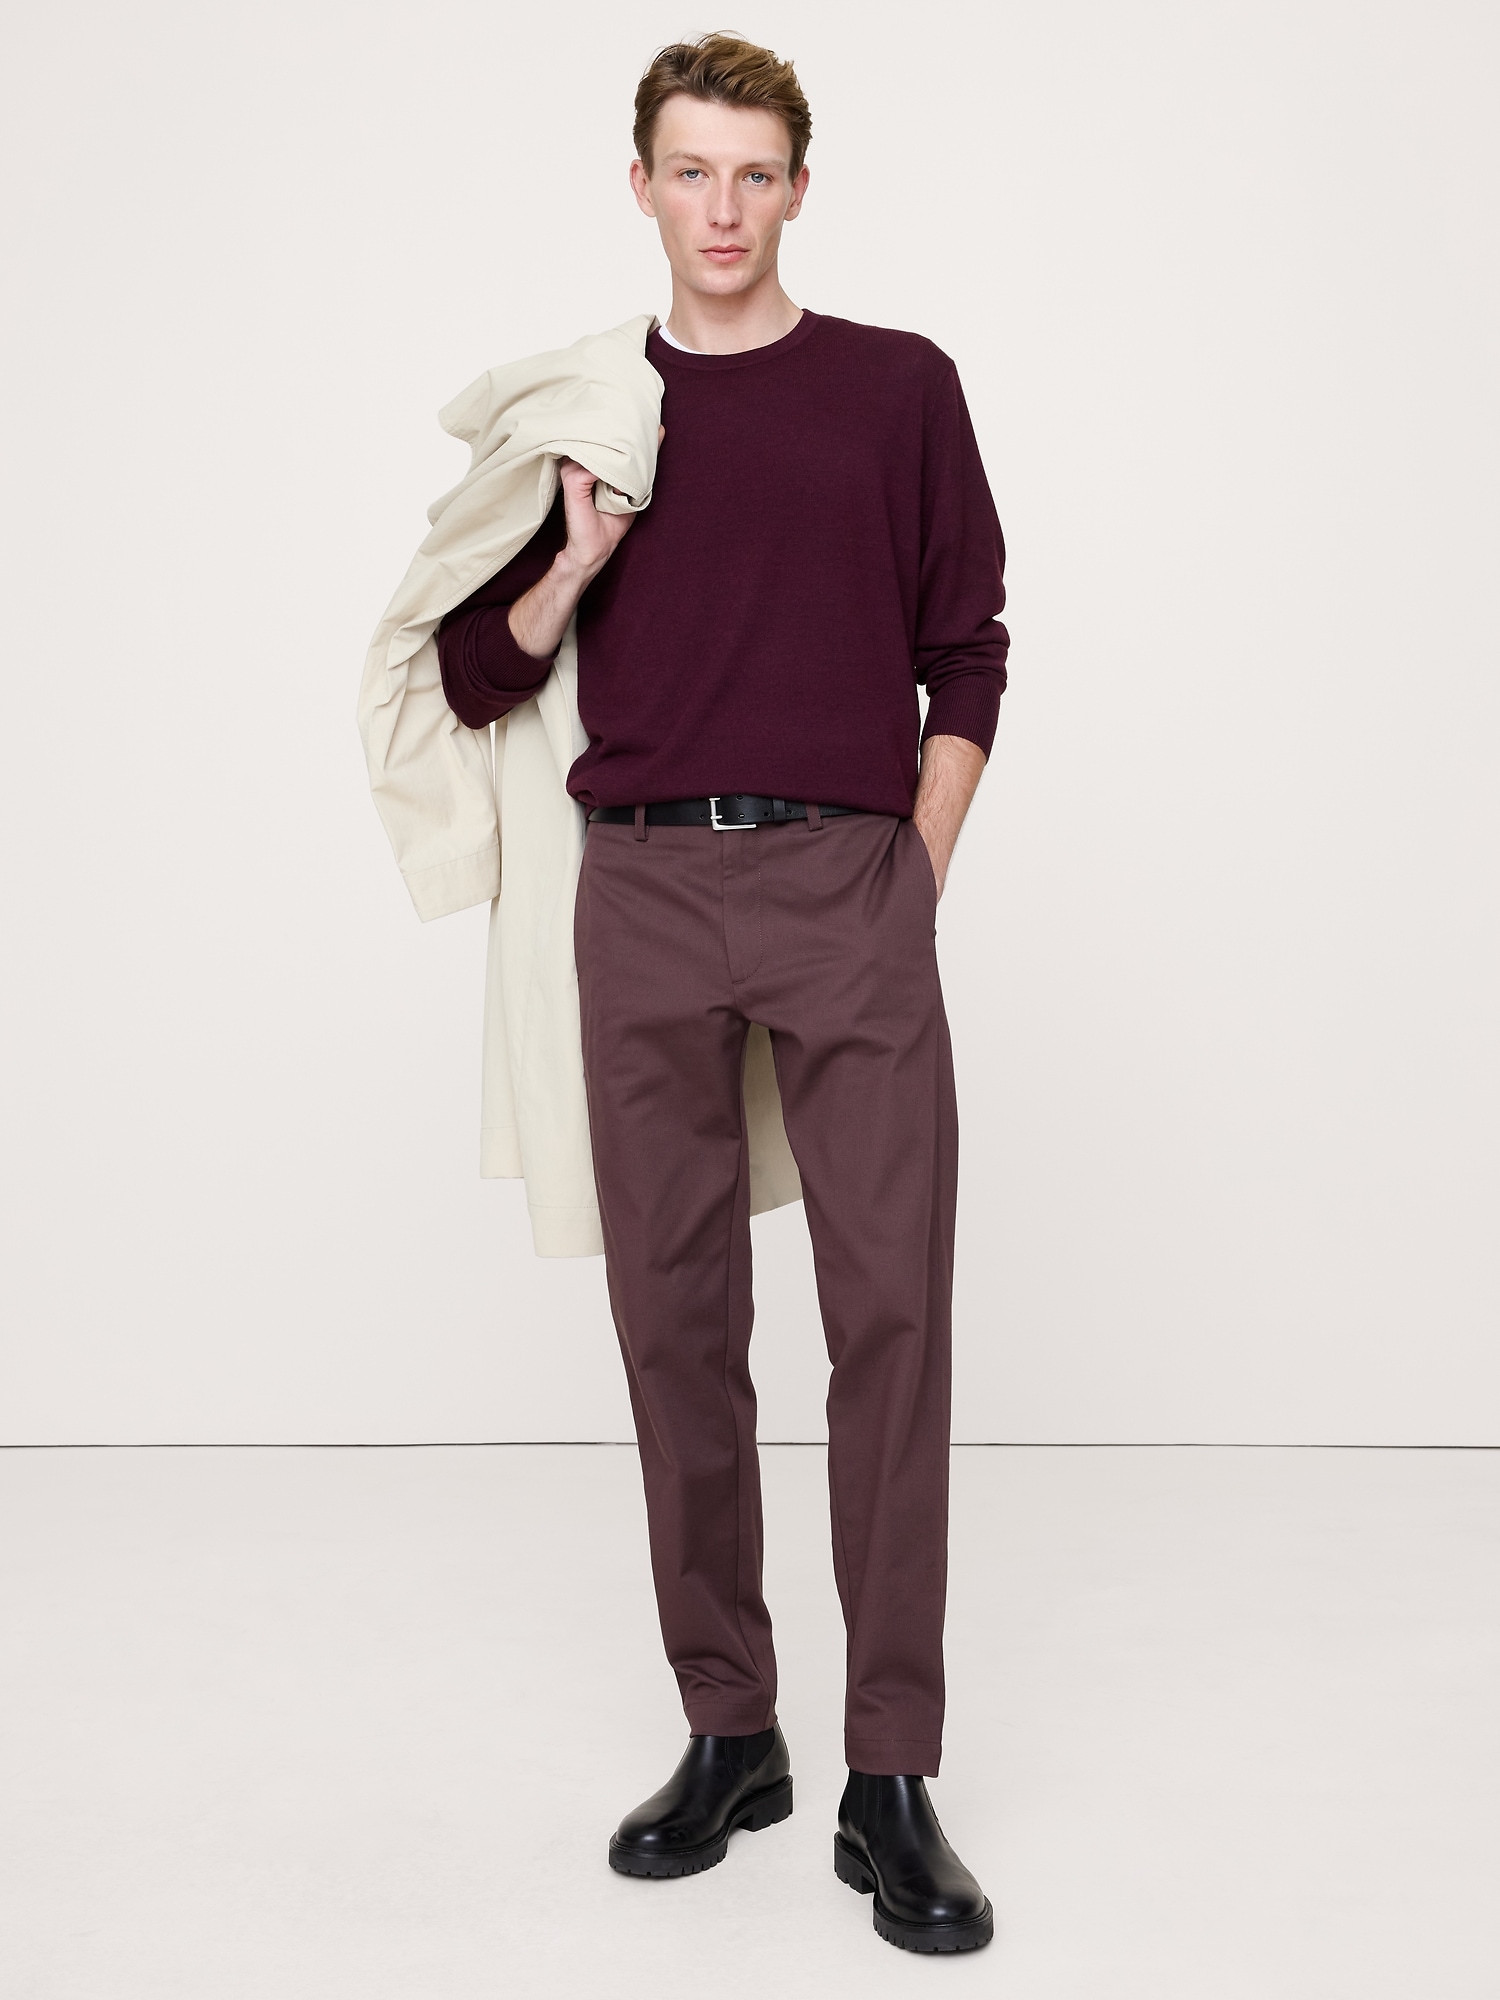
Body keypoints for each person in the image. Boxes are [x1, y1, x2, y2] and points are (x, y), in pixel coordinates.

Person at [437, 33, 1007, 1956]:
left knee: (893, 1319)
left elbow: (968, 647)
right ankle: (729, 1728)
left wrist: (912, 874)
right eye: (692, 171)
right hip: (647, 893)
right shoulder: (593, 410)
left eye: (756, 173)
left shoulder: (897, 387)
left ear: (799, 189)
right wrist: (578, 552)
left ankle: (891, 1774)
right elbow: (477, 670)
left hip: (848, 882)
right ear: (643, 187)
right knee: (678, 1324)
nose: (725, 207)